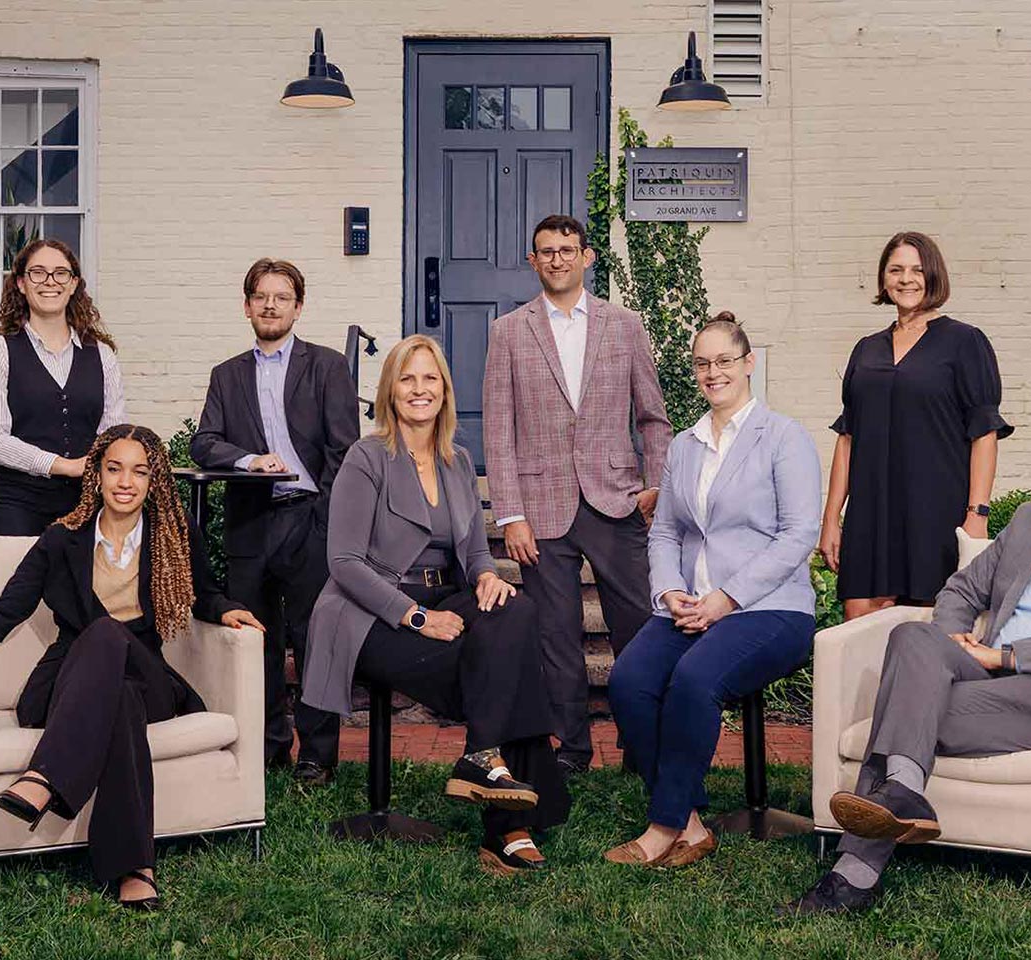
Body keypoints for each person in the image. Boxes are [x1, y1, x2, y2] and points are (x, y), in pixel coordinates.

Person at [784, 403, 1031, 915]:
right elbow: (962, 588)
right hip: (980, 666)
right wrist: (955, 640)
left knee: (905, 711)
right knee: (913, 635)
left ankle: (852, 876)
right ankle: (902, 791)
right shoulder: (1030, 520)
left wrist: (1008, 657)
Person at [0, 424, 263, 910]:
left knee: (107, 637)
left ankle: (44, 778)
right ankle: (134, 868)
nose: (126, 482)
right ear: (96, 475)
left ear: (154, 481)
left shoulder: (172, 533)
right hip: (69, 683)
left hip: (149, 676)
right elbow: (7, 610)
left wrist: (227, 610)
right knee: (117, 694)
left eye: (139, 472)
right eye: (114, 469)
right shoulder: (62, 538)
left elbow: (204, 594)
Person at [303, 335, 570, 875]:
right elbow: (344, 563)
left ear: (445, 391)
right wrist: (417, 617)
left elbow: (473, 551)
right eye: (407, 378)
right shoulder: (366, 457)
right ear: (390, 390)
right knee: (503, 665)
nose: (419, 389)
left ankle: (481, 759)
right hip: (369, 611)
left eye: (430, 378)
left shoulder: (458, 460)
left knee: (516, 612)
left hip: (444, 595)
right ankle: (509, 828)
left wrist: (488, 577)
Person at [605, 314, 822, 867]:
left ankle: (663, 826)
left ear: (749, 364)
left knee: (695, 677)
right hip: (691, 607)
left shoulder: (783, 437)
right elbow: (666, 531)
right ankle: (692, 823)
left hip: (769, 609)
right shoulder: (685, 445)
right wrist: (669, 592)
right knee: (629, 680)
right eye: (702, 363)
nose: (713, 372)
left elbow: (799, 533)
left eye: (724, 360)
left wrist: (727, 598)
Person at [483, 213, 673, 774]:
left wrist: (656, 486)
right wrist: (510, 514)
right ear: (533, 261)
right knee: (555, 634)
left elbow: (653, 418)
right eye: (546, 251)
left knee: (638, 624)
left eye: (567, 250)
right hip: (540, 508)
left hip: (617, 499)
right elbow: (498, 430)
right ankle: (571, 749)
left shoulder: (625, 326)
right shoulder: (508, 332)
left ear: (587, 257)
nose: (557, 259)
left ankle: (642, 740)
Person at [191, 258, 358, 785]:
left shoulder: (327, 366)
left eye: (281, 297)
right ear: (247, 307)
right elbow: (204, 442)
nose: (270, 305)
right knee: (255, 641)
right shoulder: (227, 375)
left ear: (298, 307)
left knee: (314, 639)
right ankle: (268, 746)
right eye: (261, 297)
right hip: (251, 522)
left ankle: (317, 756)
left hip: (309, 518)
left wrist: (327, 520)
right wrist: (248, 460)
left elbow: (344, 450)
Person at [820, 231, 1013, 618]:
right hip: (869, 515)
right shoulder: (865, 349)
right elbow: (848, 439)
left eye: (917, 270)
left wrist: (977, 515)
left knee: (927, 632)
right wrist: (831, 519)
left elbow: (984, 434)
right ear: (883, 278)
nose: (906, 279)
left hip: (935, 513)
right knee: (858, 630)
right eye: (896, 270)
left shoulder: (966, 342)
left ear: (934, 275)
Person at [0, 238, 126, 535]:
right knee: (13, 568)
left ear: (73, 284)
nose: (50, 281)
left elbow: (113, 432)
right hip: (17, 504)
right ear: (21, 283)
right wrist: (63, 465)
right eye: (38, 272)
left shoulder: (101, 354)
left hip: (85, 504)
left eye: (61, 273)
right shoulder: (0, 348)